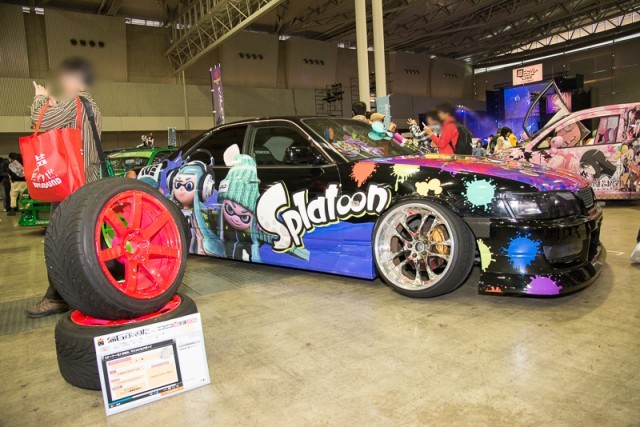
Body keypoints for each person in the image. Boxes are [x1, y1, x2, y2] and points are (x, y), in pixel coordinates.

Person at [27, 57, 102, 318]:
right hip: (87, 185)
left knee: (58, 242)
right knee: (83, 241)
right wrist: (55, 105)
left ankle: (57, 297)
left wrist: (40, 100)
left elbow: (40, 121)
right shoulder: (90, 106)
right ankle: (81, 293)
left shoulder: (75, 102)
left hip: (69, 187)